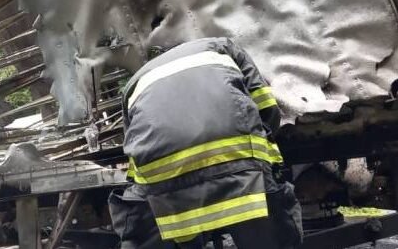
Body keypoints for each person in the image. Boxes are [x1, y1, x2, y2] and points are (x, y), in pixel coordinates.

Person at [109, 38, 302, 248]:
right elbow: (266, 107)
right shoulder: (224, 47)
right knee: (266, 222)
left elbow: (134, 150)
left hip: (167, 177)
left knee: (166, 222)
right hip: (237, 162)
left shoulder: (135, 82)